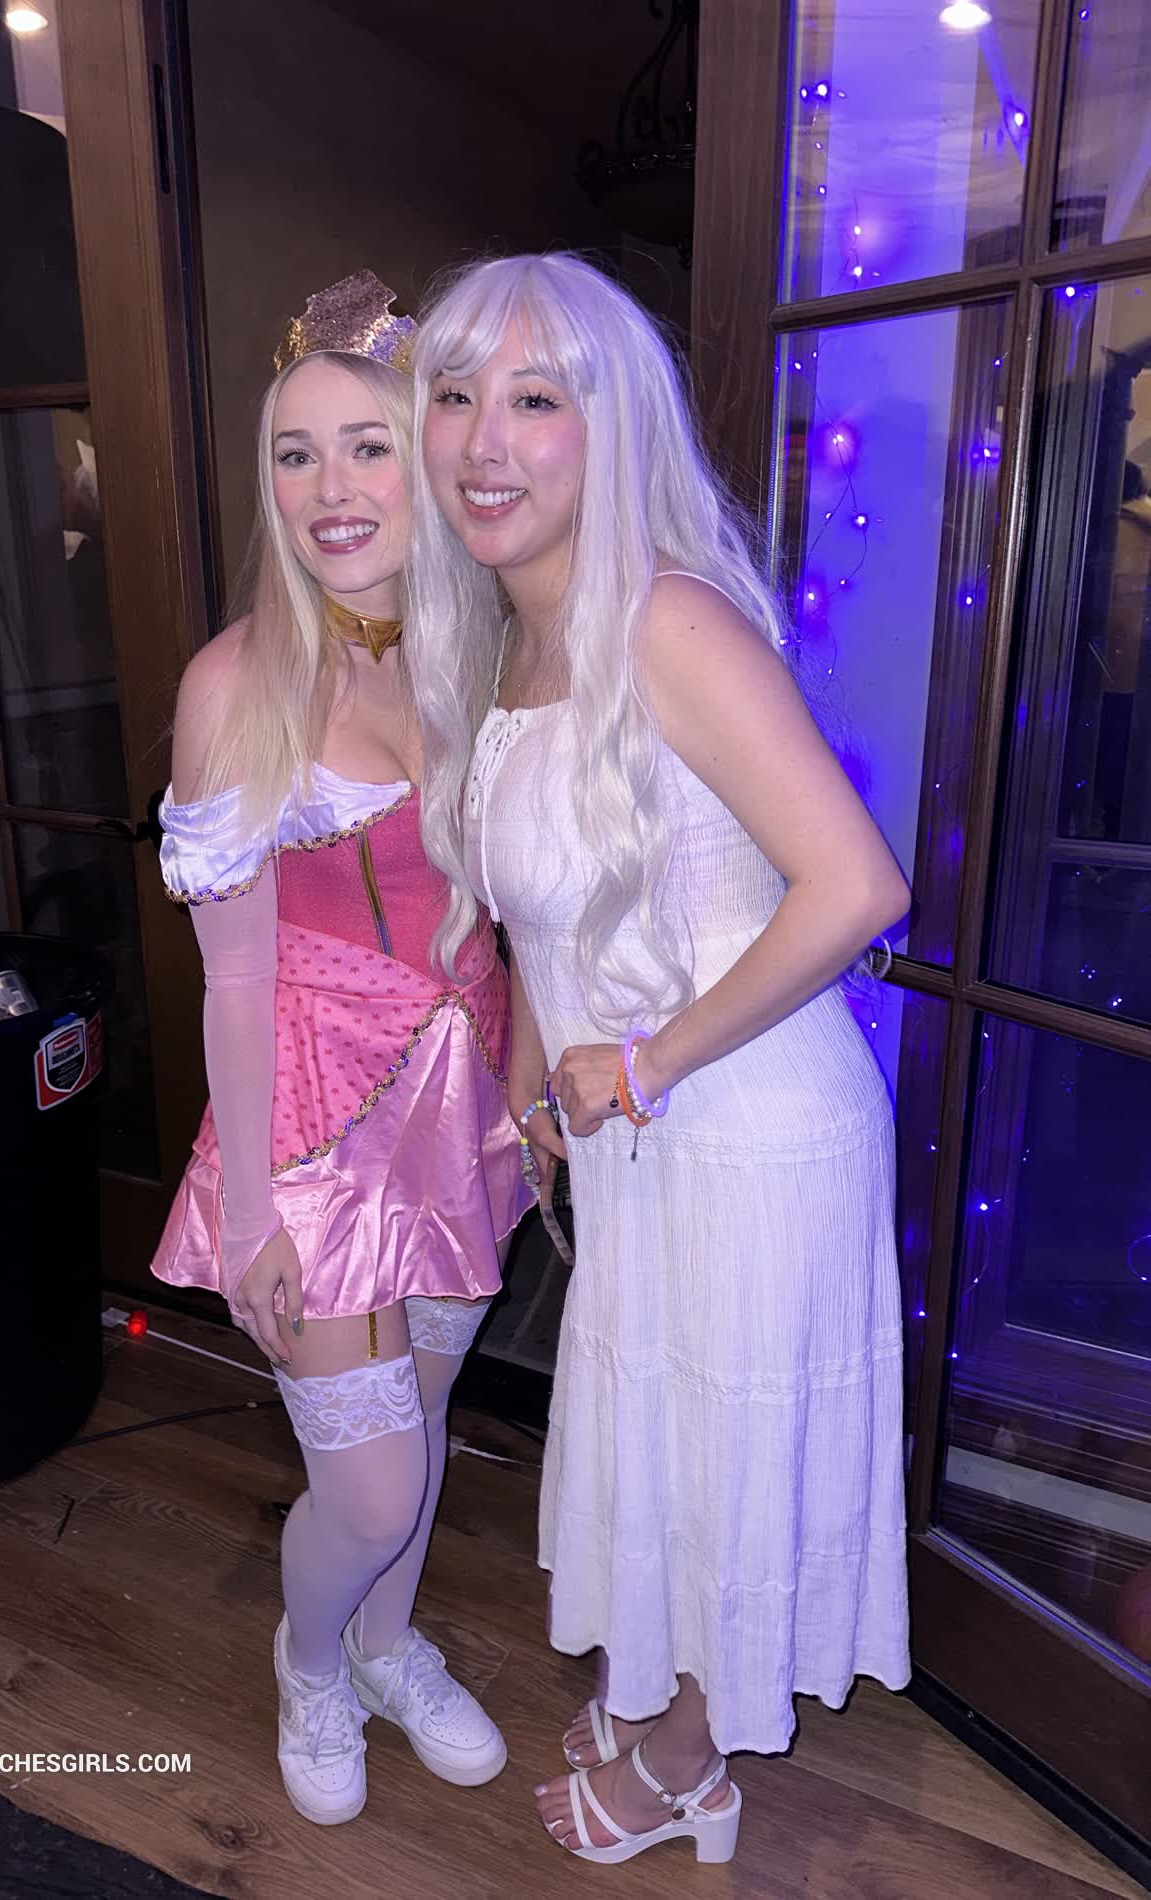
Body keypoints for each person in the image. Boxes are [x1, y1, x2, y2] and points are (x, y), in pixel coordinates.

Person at [409, 253, 912, 1867]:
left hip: (748, 1123)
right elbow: (543, 928)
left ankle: (694, 1758)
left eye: (535, 399)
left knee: (728, 1448)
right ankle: (663, 1697)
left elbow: (859, 886)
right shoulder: (508, 647)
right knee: (673, 1444)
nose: (485, 440)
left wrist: (636, 1064)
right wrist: (541, 1084)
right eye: (457, 396)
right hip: (643, 1127)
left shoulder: (670, 625)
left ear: (611, 429)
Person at [151, 273, 530, 1827]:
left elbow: (523, 916)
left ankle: (385, 1646)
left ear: (429, 459)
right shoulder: (235, 683)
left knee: (420, 1430)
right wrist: (248, 1208)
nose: (330, 488)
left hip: (465, 1107)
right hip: (309, 1121)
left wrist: (530, 1097)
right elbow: (235, 980)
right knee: (367, 1485)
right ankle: (313, 1659)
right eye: (295, 454)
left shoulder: (484, 650)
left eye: (367, 446)